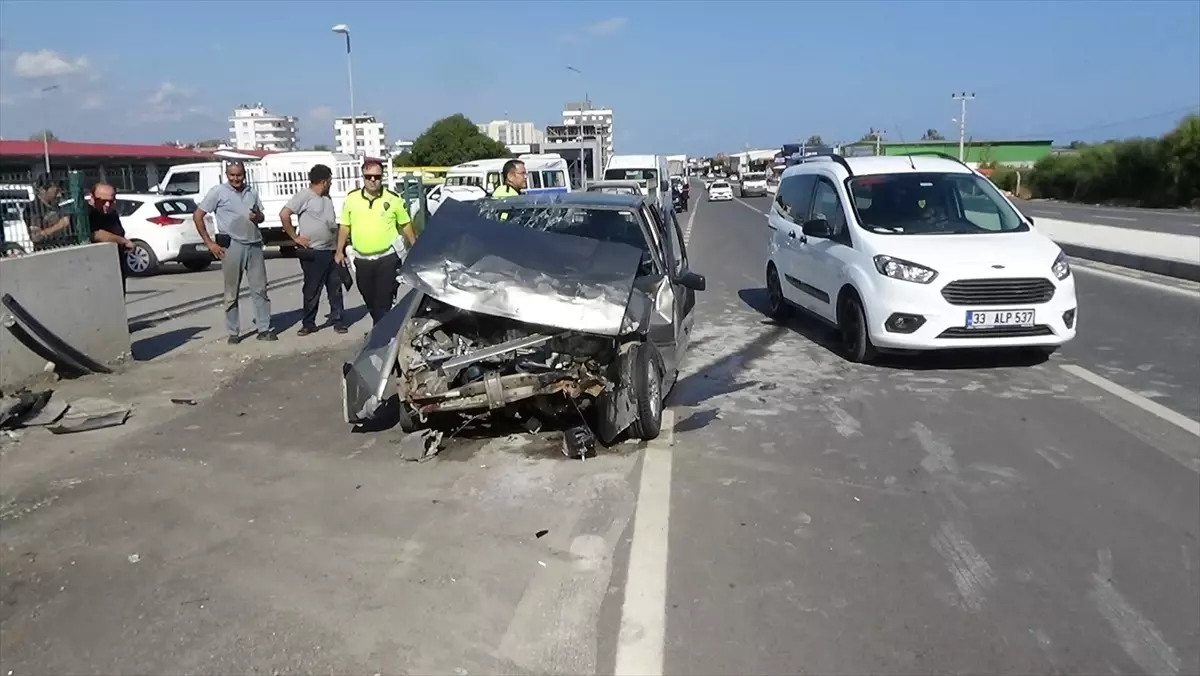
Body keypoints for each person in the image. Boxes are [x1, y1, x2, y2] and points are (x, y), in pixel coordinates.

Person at [193, 162, 275, 344]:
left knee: (260, 289)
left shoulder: (251, 192)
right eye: (232, 175)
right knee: (232, 291)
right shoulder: (218, 192)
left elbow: (261, 216)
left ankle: (264, 328)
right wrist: (209, 243)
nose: (236, 179)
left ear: (244, 174)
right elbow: (198, 215)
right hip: (232, 246)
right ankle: (234, 331)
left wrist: (257, 217)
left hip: (254, 244)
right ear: (227, 175)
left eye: (239, 175)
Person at [335, 159, 415, 325]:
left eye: (377, 177)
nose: (373, 180)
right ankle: (382, 327)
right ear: (363, 177)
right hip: (362, 260)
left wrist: (415, 246)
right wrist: (339, 251)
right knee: (369, 298)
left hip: (387, 258)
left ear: (382, 177)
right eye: (368, 176)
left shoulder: (393, 199)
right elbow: (344, 226)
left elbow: (405, 224)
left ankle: (382, 335)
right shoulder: (352, 199)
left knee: (383, 300)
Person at [280, 164, 346, 336]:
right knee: (312, 289)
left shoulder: (327, 197)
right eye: (330, 180)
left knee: (335, 287)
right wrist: (295, 237)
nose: (331, 183)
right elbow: (284, 214)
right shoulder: (305, 195)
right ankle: (309, 323)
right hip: (314, 252)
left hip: (331, 250)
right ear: (324, 181)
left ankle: (338, 319)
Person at [86, 182, 136, 293]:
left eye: (111, 201)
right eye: (102, 201)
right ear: (92, 197)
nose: (107, 205)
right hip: (98, 271)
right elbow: (97, 234)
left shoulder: (112, 214)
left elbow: (118, 232)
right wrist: (124, 241)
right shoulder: (88, 213)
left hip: (117, 267)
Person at [23, 177, 73, 251]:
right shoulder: (32, 208)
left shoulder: (59, 205)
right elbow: (36, 237)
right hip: (46, 250)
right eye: (55, 192)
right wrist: (60, 225)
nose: (59, 195)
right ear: (42, 190)